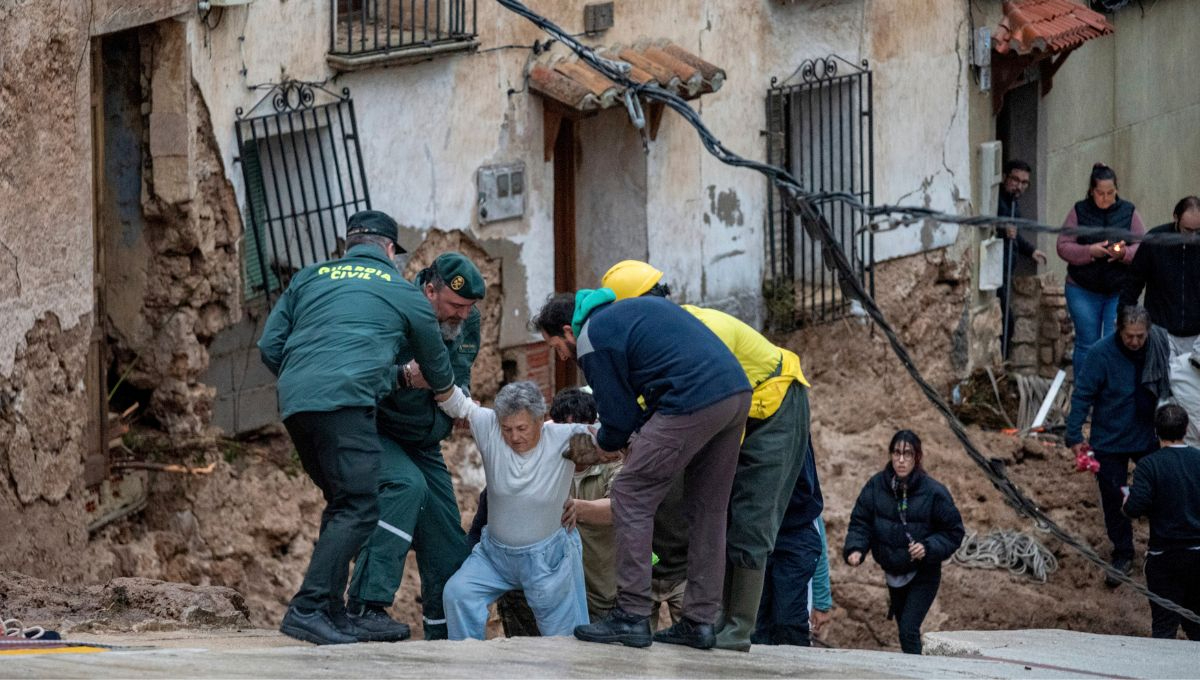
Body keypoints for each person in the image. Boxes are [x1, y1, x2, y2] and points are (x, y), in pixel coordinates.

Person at [258, 210, 456, 645]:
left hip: (296, 403)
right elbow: (437, 368)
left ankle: (331, 611)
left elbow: (269, 345)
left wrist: (304, 380)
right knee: (361, 505)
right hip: (346, 404)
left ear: (348, 243)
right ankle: (308, 608)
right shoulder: (402, 292)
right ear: (389, 249)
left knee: (344, 502)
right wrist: (442, 393)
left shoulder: (309, 278)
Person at [601, 260, 811, 652]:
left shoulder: (697, 329)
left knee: (751, 515)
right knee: (706, 506)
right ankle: (705, 617)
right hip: (730, 416)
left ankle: (737, 628)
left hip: (775, 407)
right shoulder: (657, 342)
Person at [534, 290, 751, 649]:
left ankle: (632, 615)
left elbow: (617, 419)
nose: (560, 355)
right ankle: (699, 621)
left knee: (630, 494)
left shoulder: (591, 336)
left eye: (556, 346)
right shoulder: (627, 314)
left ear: (567, 331)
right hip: (735, 393)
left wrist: (603, 444)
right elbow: (646, 397)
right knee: (709, 509)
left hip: (691, 398)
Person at [345, 252, 486, 641]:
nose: (463, 315)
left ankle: (444, 640)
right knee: (406, 487)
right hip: (380, 430)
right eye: (455, 305)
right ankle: (364, 608)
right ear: (429, 290)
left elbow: (463, 369)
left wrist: (463, 400)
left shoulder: (468, 319)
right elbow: (362, 375)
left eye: (469, 307)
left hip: (426, 441)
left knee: (447, 541)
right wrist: (404, 378)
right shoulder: (393, 311)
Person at [438, 381, 592, 639]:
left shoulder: (566, 437)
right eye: (507, 429)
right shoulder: (489, 426)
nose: (514, 437)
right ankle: (465, 666)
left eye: (522, 428)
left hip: (547, 560)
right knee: (458, 594)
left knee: (563, 640)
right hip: (494, 556)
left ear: (540, 420)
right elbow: (454, 402)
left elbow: (612, 438)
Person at [843, 430, 964, 655]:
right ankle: (915, 667)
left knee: (908, 629)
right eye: (896, 453)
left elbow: (953, 532)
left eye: (907, 454)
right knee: (904, 632)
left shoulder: (934, 492)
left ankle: (917, 673)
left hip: (923, 573)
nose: (901, 460)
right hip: (893, 573)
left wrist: (927, 547)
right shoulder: (876, 486)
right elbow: (861, 521)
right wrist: (856, 548)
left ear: (917, 457)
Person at [1065, 305, 1161, 585]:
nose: (1134, 342)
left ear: (1148, 333)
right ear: (1119, 330)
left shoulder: (1157, 348)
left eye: (1140, 337)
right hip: (1109, 438)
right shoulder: (1099, 354)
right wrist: (1074, 435)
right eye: (1129, 336)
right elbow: (1082, 395)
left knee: (1158, 492)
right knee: (1112, 497)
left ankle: (1159, 549)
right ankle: (1123, 552)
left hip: (1147, 434)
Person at [1056, 163, 1146, 371]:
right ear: (1091, 191)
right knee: (1087, 343)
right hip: (1082, 288)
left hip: (1118, 289)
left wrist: (1124, 253)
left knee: (1112, 341)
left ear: (1117, 190)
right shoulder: (1079, 211)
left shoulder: (1128, 211)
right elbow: (1063, 246)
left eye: (1110, 193)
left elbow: (1143, 245)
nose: (1106, 198)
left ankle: (1109, 393)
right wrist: (1089, 251)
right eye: (1100, 193)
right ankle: (1085, 394)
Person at [1123, 404, 1200, 640]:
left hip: (1164, 558)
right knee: (1197, 626)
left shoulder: (1149, 465)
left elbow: (1135, 507)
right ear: (1186, 429)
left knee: (1164, 628)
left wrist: (1126, 502)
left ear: (1155, 432)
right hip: (1199, 556)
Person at [753, 437, 826, 647]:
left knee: (788, 624)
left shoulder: (792, 428)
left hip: (794, 535)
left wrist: (822, 600)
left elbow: (805, 491)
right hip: (760, 535)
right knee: (756, 627)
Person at [1121, 196, 1200, 358]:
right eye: (1187, 230)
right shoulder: (1155, 240)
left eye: (1197, 231)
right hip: (1161, 330)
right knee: (1160, 380)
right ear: (1176, 218)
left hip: (1197, 334)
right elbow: (1133, 282)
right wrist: (1123, 317)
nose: (1192, 236)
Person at [995, 159, 1047, 358]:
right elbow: (988, 226)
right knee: (1005, 323)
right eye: (1015, 180)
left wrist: (1031, 251)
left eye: (1024, 182)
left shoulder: (1013, 202)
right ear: (1004, 177)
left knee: (1008, 323)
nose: (1019, 186)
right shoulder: (998, 200)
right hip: (995, 272)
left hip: (1006, 271)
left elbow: (1014, 235)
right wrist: (1001, 228)